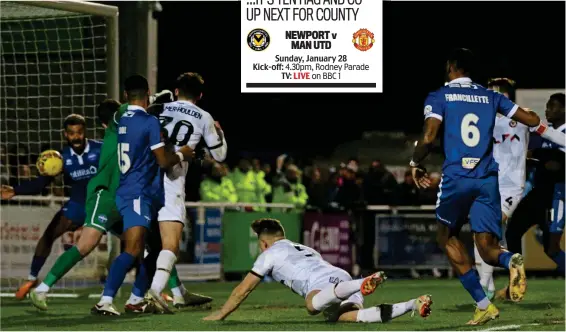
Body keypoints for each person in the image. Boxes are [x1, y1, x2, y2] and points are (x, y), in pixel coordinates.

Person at [410, 48, 564, 325]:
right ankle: (509, 261)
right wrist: (540, 127)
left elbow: (429, 138)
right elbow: (530, 120)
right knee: (487, 245)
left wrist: (414, 162)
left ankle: (484, 304)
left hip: (458, 177)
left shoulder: (440, 96)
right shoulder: (490, 97)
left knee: (446, 237)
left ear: (451, 68)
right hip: (488, 180)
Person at [30, 98, 211, 312]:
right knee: (87, 244)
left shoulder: (127, 133)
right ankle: (43, 288)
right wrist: (156, 99)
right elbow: (131, 110)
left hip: (124, 198)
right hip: (104, 196)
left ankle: (145, 297)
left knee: (147, 246)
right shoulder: (117, 129)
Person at [92, 74, 194, 315]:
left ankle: (136, 299)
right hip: (137, 194)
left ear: (126, 96)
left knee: (157, 249)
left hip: (131, 191)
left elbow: (122, 116)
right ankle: (104, 300)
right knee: (134, 249)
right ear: (147, 94)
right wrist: (183, 154)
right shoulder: (149, 123)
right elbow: (163, 161)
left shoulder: (118, 119)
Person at [203, 218, 433, 323]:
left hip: (325, 284)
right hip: (339, 277)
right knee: (347, 317)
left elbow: (244, 289)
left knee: (312, 306)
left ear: (264, 243)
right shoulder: (304, 247)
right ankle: (413, 303)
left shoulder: (269, 254)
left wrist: (221, 314)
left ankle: (362, 281)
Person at [137, 72, 227, 312]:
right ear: (200, 95)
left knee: (147, 241)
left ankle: (177, 293)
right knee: (171, 244)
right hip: (171, 180)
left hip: (142, 177)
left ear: (176, 91)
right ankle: (154, 291)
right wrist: (220, 132)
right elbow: (220, 156)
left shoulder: (158, 108)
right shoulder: (204, 116)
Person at [1, 114, 102, 299]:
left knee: (134, 238)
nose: (76, 137)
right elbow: (41, 185)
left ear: (85, 132)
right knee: (48, 237)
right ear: (65, 134)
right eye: (72, 133)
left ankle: (156, 285)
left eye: (79, 132)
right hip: (77, 206)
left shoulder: (101, 149)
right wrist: (15, 190)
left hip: (102, 204)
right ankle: (32, 279)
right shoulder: (60, 158)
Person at [497, 93, 565, 300]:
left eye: (552, 106)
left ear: (564, 110)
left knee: (551, 249)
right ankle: (514, 285)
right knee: (512, 233)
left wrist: (535, 157)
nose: (547, 110)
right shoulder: (548, 133)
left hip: (557, 195)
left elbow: (557, 164)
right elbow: (538, 156)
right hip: (538, 194)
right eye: (546, 105)